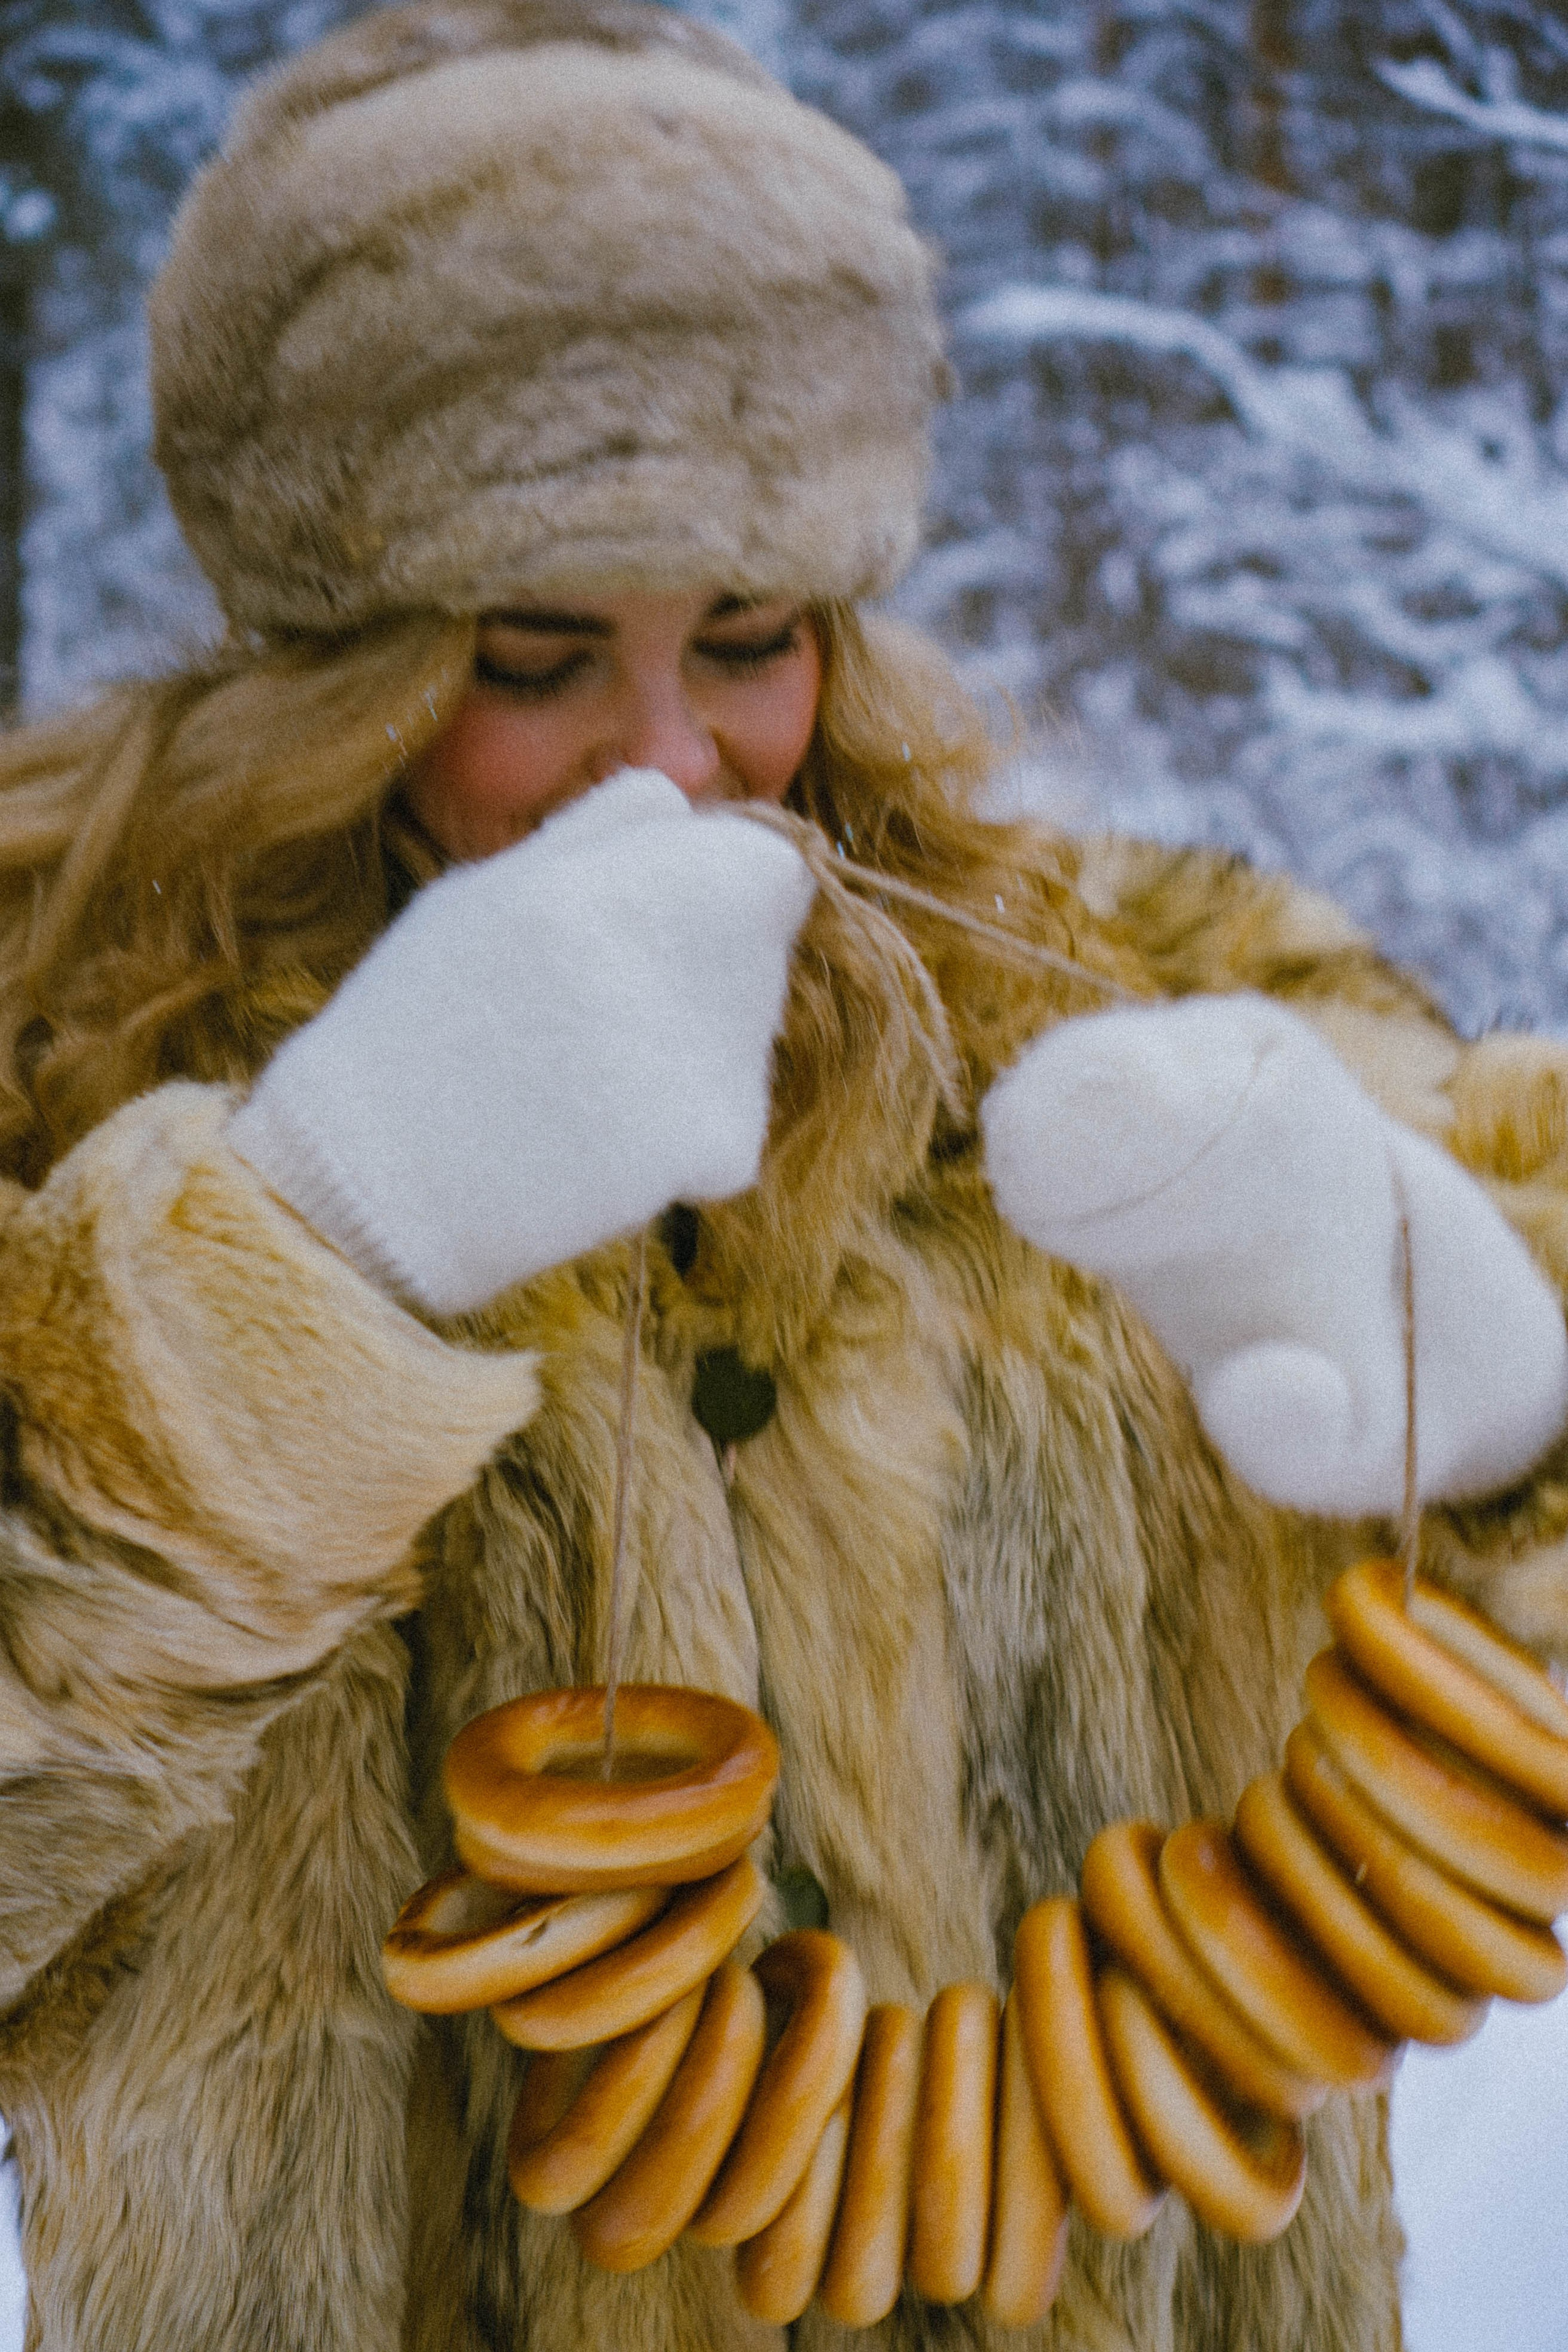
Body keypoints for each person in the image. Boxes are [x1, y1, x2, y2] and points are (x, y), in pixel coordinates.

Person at [1, 4, 1567, 2348]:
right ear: (331, 648)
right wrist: (316, 1247)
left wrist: (1498, 1394)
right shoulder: (66, 1062)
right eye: (533, 656)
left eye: (749, 644)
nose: (676, 761)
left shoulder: (1138, 997)